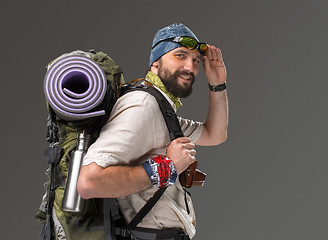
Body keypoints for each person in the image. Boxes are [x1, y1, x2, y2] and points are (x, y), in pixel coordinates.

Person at [77, 23, 229, 239]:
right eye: (180, 55)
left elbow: (215, 134)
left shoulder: (162, 110)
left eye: (195, 60)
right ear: (155, 63)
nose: (190, 67)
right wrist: (168, 167)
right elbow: (89, 182)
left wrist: (218, 84)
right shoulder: (143, 105)